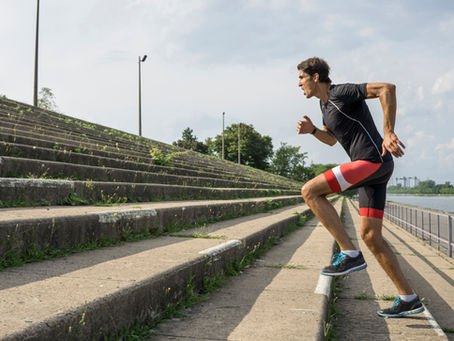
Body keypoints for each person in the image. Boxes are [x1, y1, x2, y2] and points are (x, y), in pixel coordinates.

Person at [296, 57, 424, 318]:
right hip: (373, 170)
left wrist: (388, 132)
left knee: (310, 191)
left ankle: (349, 253)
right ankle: (408, 297)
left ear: (316, 76)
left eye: (301, 78)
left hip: (372, 161)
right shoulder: (324, 106)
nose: (299, 84)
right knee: (370, 236)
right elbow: (331, 140)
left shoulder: (340, 92)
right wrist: (312, 132)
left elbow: (386, 88)